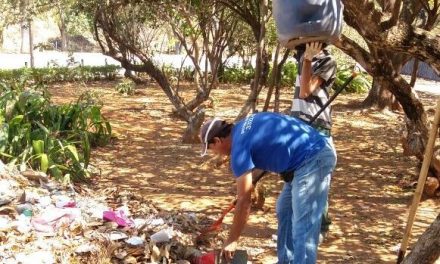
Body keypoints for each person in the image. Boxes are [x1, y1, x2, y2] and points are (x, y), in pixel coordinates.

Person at [199, 112, 337, 264]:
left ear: (218, 140)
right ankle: (286, 261)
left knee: (303, 226)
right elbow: (265, 149)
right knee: (284, 210)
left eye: (211, 148)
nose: (215, 153)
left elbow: (245, 201)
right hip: (301, 161)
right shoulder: (244, 125)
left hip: (313, 158)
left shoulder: (238, 150)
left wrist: (232, 240)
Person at [291, 42, 337, 241]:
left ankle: (321, 227)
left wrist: (309, 59)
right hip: (300, 125)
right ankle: (304, 223)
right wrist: (305, 58)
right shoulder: (302, 58)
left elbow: (305, 91)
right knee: (298, 179)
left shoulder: (327, 61)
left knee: (318, 179)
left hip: (317, 126)